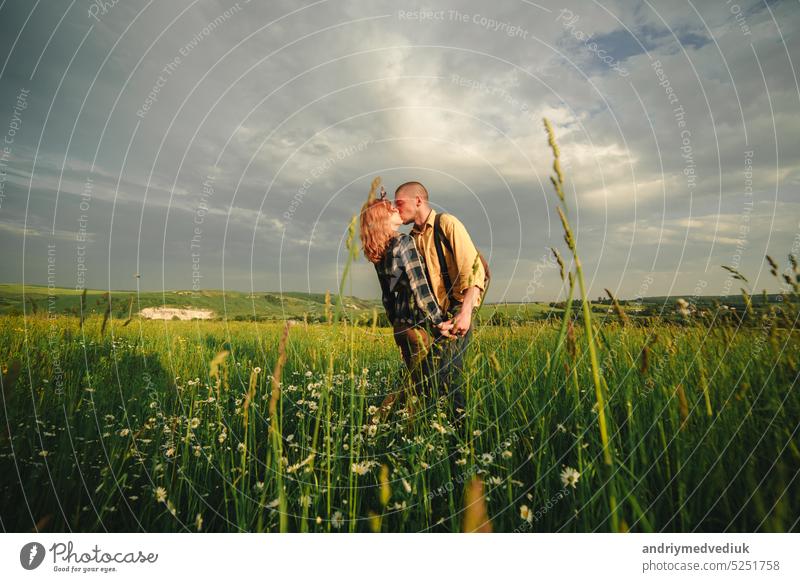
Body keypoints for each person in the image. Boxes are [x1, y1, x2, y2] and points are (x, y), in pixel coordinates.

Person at [393, 181, 487, 416]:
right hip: (435, 318)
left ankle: (464, 439)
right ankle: (436, 429)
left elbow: (474, 270)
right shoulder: (410, 239)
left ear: (418, 200)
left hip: (458, 310)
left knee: (443, 374)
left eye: (399, 203)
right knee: (429, 377)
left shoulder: (447, 223)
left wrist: (464, 314)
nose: (396, 208)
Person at [359, 193, 454, 420]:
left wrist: (397, 323)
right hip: (416, 326)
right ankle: (381, 423)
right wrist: (439, 321)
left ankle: (386, 424)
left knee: (411, 379)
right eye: (391, 209)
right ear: (383, 218)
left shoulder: (380, 252)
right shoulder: (404, 242)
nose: (396, 209)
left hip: (400, 328)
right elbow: (420, 287)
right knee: (416, 386)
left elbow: (387, 297)